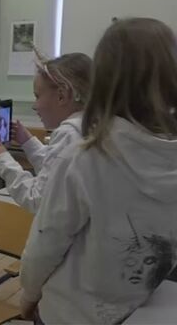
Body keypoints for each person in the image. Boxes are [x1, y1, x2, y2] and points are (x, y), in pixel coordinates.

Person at [19, 18, 177, 324]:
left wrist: (28, 294)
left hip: (72, 314)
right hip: (142, 307)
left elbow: (46, 242)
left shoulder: (87, 158)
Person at [0, 53, 92, 213]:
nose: (34, 106)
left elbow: (36, 199)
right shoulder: (87, 126)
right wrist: (27, 141)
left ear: (62, 95)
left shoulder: (69, 133)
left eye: (37, 96)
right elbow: (56, 170)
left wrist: (1, 159)